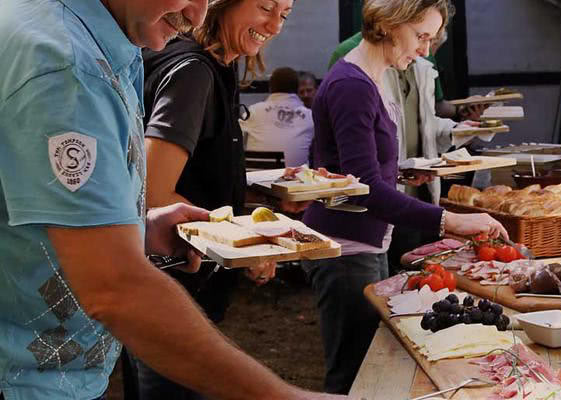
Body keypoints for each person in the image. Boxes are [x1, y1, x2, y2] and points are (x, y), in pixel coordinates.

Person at [0, 1, 345, 399]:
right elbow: (115, 287)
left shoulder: (96, 40)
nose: (197, 17)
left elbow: (37, 202)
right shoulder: (68, 63)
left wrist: (137, 229)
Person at [301, 0, 509, 394]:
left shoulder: (373, 78)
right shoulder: (352, 84)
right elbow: (364, 187)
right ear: (390, 23)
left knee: (371, 367)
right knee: (352, 376)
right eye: (421, 36)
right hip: (345, 249)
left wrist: (396, 172)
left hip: (365, 243)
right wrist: (451, 220)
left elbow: (351, 168)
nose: (426, 50)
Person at [134, 1, 318, 400]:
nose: (274, 25)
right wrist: (248, 240)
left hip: (181, 289)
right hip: (169, 292)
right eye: (265, 6)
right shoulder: (194, 72)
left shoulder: (216, 65)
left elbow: (200, 175)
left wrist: (257, 199)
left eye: (284, 15)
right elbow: (152, 191)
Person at [240, 67, 314, 167]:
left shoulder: (252, 112)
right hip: (295, 180)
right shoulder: (310, 117)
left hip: (254, 178)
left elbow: (234, 141)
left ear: (270, 87)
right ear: (297, 89)